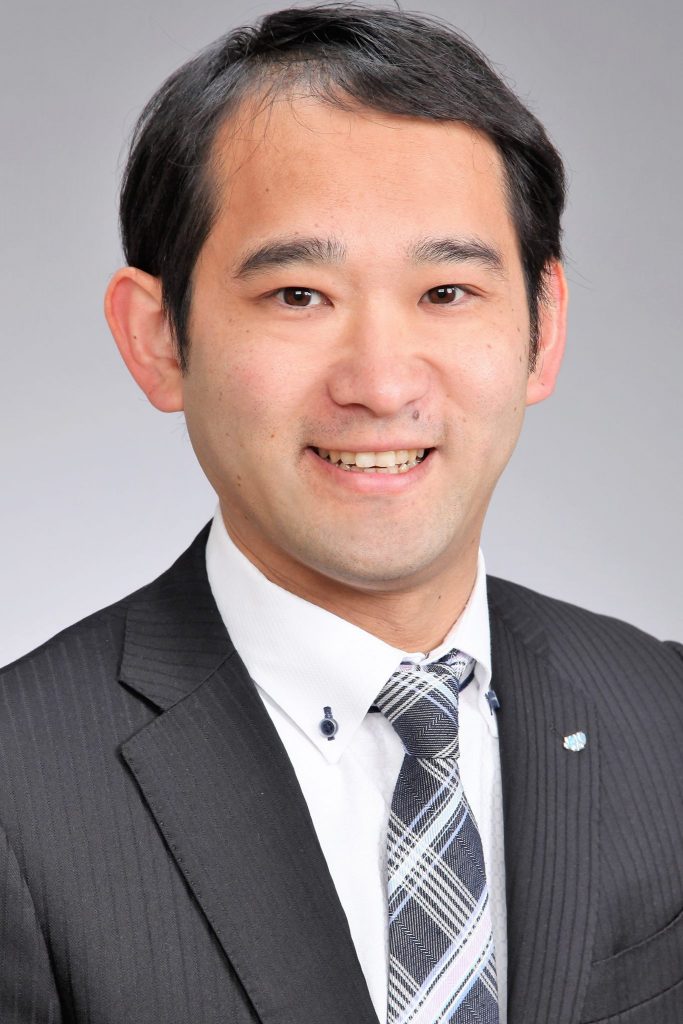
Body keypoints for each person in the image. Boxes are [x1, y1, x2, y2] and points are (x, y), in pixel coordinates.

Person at [0, 5, 681, 1023]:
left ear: (541, 330)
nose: (379, 383)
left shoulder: (665, 713)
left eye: (445, 292)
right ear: (158, 339)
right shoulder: (19, 792)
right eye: (298, 296)